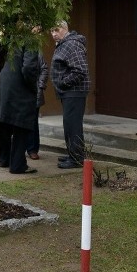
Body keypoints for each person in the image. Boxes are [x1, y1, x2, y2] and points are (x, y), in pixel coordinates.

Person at [50, 20, 90, 169]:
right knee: (69, 124)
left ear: (65, 29)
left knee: (73, 125)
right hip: (68, 92)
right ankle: (73, 154)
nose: (53, 34)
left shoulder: (72, 44)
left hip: (74, 92)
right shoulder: (64, 44)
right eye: (51, 31)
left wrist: (62, 83)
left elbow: (80, 70)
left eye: (57, 30)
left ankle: (77, 159)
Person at [0, 47, 42, 174]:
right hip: (20, 88)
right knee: (21, 126)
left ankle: (4, 159)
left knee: (5, 122)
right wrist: (33, 87)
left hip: (5, 86)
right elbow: (29, 68)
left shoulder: (10, 37)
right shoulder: (30, 40)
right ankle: (18, 165)